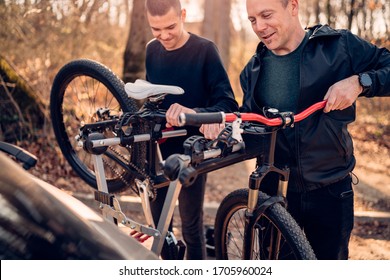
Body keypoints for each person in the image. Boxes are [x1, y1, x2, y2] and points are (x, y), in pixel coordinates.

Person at [238, 0, 390, 259]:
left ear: (293, 7)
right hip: (275, 194)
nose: (259, 27)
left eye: (266, 15)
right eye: (252, 20)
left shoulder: (339, 46)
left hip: (331, 191)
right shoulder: (253, 69)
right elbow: (252, 133)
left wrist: (359, 82)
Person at [144, 0, 239, 260]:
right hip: (159, 149)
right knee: (159, 228)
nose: (163, 36)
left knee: (191, 228)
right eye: (156, 29)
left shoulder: (205, 50)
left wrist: (194, 113)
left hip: (192, 151)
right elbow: (152, 97)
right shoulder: (152, 50)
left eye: (170, 27)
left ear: (183, 15)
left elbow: (228, 104)